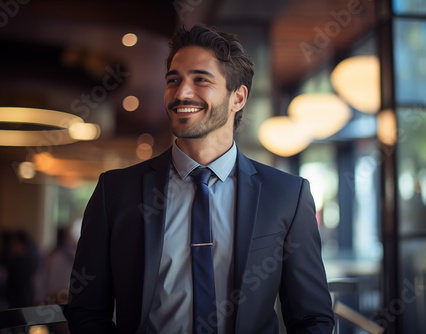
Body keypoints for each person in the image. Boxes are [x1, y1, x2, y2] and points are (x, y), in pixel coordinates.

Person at [64, 24, 334, 334]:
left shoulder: (287, 195)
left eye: (200, 80)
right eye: (173, 80)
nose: (181, 93)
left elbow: (312, 318)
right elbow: (86, 310)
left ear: (238, 97)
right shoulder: (115, 192)